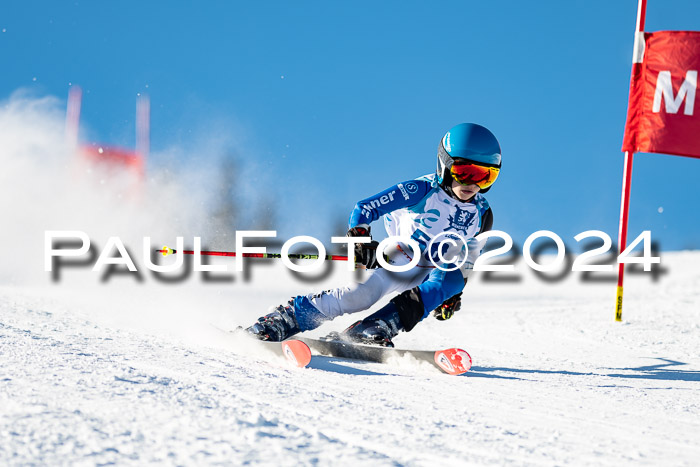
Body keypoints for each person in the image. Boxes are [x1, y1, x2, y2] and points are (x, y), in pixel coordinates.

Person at [246, 123, 500, 347]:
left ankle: (373, 328)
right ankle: (283, 319)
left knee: (450, 280)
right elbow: (366, 208)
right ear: (445, 164)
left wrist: (452, 295)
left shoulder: (482, 214)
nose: (472, 184)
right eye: (464, 172)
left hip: (434, 270)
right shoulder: (422, 190)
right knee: (360, 296)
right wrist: (361, 241)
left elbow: (468, 259)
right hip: (404, 256)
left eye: (486, 175)